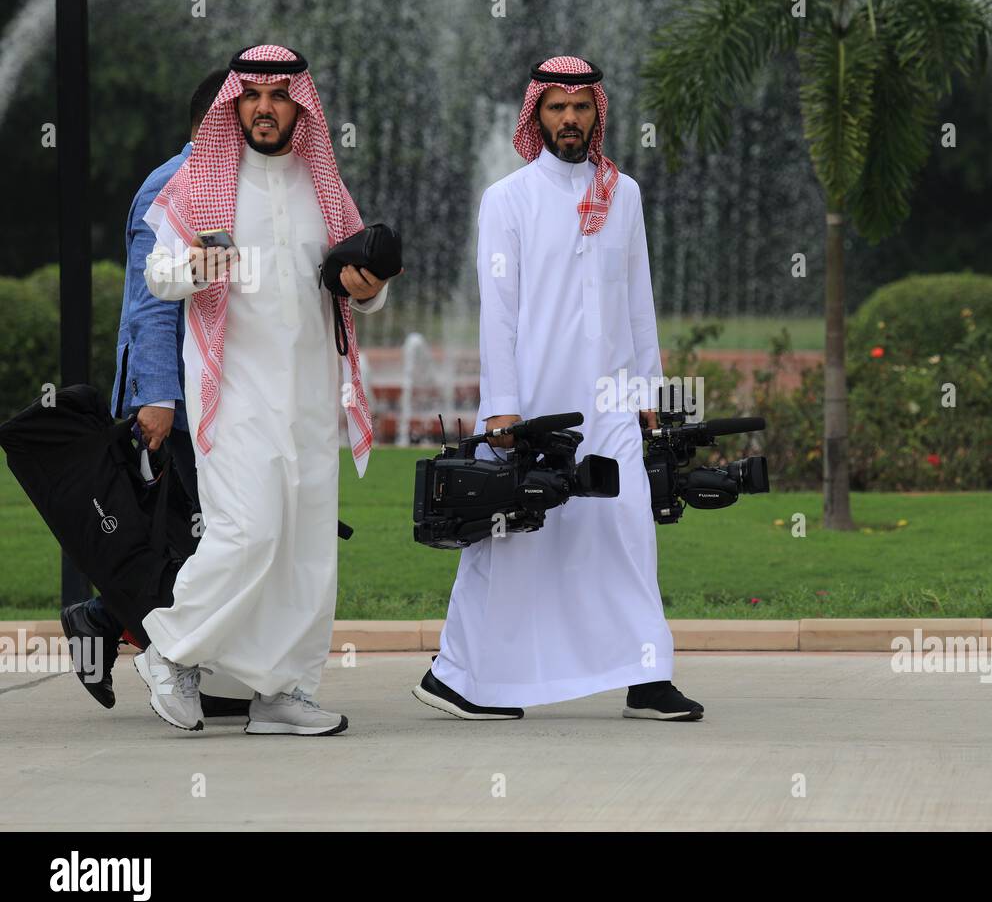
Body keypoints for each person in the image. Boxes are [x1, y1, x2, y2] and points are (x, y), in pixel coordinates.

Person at [412, 55, 702, 722]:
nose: (569, 119)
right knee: (512, 534)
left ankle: (647, 675)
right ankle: (454, 673)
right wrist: (502, 407)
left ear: (597, 111)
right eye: (556, 107)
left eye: (580, 107)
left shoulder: (622, 194)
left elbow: (639, 299)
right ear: (536, 115)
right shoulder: (507, 199)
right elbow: (499, 311)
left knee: (628, 528)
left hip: (610, 402)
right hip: (537, 402)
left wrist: (650, 394)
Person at [135, 44, 397, 735]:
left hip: (312, 389)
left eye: (279, 94)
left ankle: (282, 692)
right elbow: (157, 276)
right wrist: (196, 265)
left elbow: (352, 283)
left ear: (298, 104)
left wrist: (368, 291)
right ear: (234, 103)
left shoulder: (323, 185)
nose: (264, 106)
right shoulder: (199, 182)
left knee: (305, 544)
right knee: (247, 532)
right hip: (235, 390)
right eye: (251, 94)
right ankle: (169, 649)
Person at [60, 69, 248, 719]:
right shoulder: (170, 186)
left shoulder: (228, 187)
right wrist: (158, 399)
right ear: (211, 124)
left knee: (191, 536)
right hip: (172, 399)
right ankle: (116, 628)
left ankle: (113, 626)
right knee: (197, 535)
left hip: (205, 395)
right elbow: (150, 307)